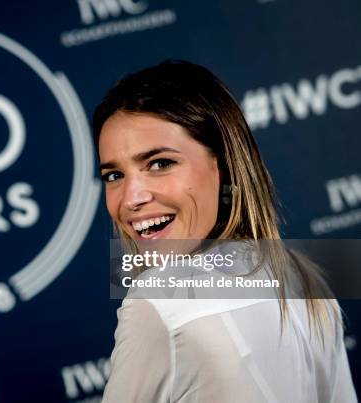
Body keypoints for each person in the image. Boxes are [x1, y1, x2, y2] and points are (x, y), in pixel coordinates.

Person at [93, 60, 357, 402]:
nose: (131, 198)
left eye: (160, 163)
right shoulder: (303, 274)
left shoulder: (157, 299)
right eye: (114, 175)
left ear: (225, 166)